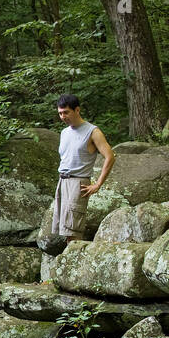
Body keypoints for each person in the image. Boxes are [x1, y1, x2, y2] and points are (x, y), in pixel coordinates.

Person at [49, 94, 115, 244]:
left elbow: (110, 156)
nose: (63, 116)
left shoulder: (92, 132)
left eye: (66, 112)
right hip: (63, 181)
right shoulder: (64, 133)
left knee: (73, 230)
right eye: (60, 113)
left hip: (78, 182)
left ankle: (74, 262)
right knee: (64, 229)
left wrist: (97, 184)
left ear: (77, 110)